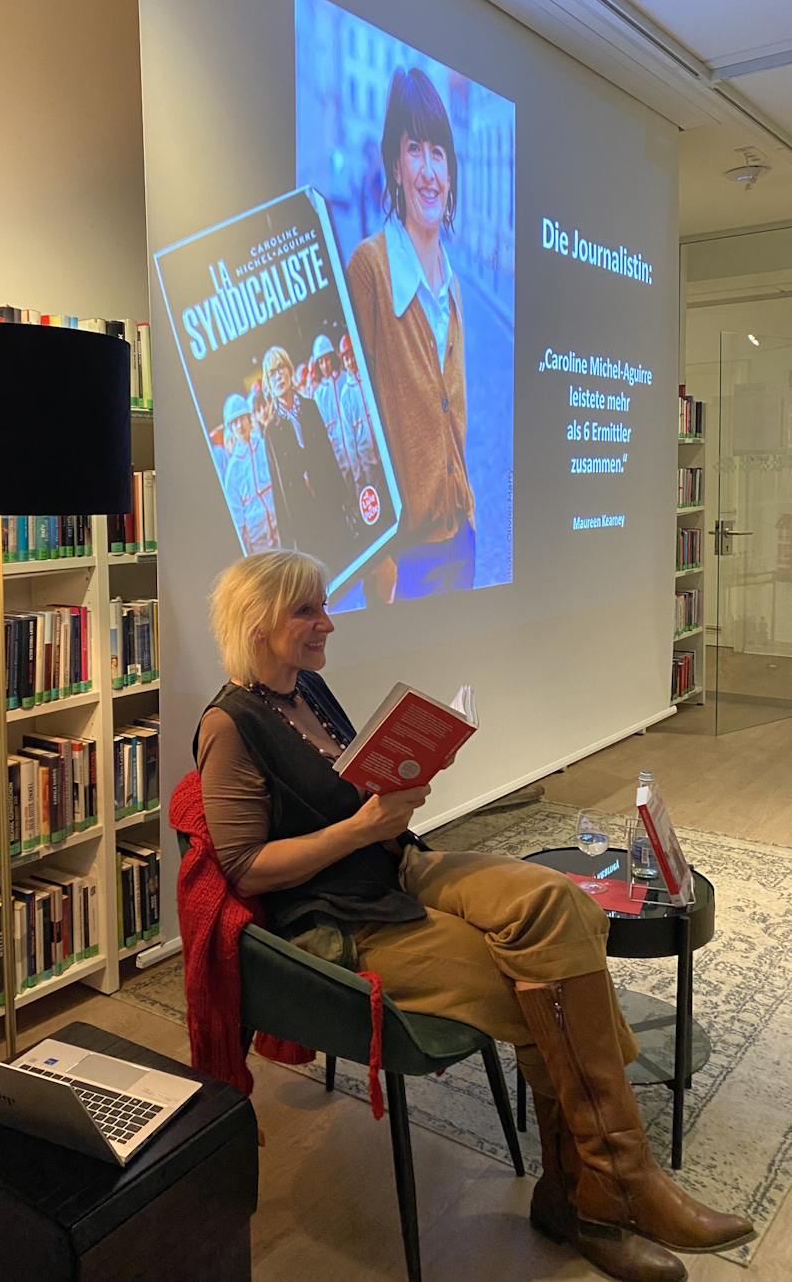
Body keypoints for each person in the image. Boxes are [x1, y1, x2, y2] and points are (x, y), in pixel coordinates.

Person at [195, 549, 754, 1282]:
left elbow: (353, 793)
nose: (328, 622)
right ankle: (597, 1194)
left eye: (324, 605)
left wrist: (407, 775)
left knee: (558, 904)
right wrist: (362, 827)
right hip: (336, 913)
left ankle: (604, 1181)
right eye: (308, 610)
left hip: (394, 866)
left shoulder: (308, 689)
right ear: (258, 624)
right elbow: (244, 867)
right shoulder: (230, 725)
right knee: (538, 984)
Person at [347, 66, 475, 603]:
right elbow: (355, 427)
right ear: (396, 167)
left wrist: (468, 516)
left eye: (438, 153)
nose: (428, 170)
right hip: (405, 560)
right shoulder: (370, 269)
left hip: (459, 543)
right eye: (415, 149)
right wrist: (379, 559)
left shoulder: (453, 283)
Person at [262, 346, 358, 571]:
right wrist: (287, 541)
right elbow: (279, 487)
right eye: (272, 373)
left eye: (281, 368)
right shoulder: (271, 431)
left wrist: (344, 496)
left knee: (346, 561)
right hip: (304, 516)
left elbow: (327, 453)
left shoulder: (310, 406)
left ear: (289, 370)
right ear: (268, 383)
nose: (278, 376)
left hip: (328, 500)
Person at [222, 392, 278, 553]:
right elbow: (236, 512)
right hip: (258, 539)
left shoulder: (265, 446)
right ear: (231, 428)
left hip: (280, 525)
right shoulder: (232, 469)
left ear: (249, 419)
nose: (240, 425)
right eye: (235, 422)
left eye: (242, 418)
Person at [309, 335, 355, 489]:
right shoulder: (318, 395)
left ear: (333, 358)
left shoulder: (345, 379)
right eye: (321, 362)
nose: (325, 365)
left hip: (354, 444)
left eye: (327, 360)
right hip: (337, 451)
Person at [337, 332, 380, 495]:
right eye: (346, 359)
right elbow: (349, 438)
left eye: (352, 356)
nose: (351, 362)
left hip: (384, 452)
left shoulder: (370, 377)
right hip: (367, 461)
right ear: (343, 362)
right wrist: (357, 472)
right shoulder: (345, 395)